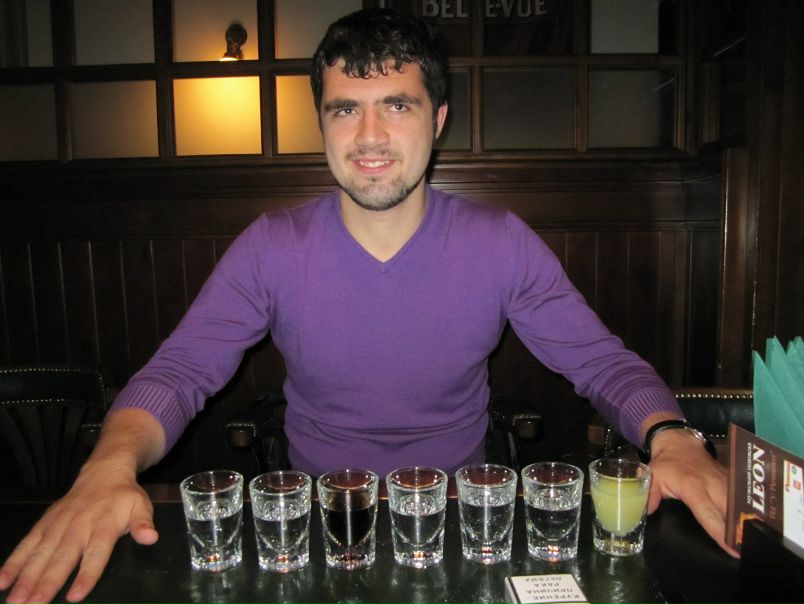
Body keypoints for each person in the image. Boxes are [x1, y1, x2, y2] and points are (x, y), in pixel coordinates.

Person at [0, 8, 736, 604]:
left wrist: (671, 435)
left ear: (437, 119)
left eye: (397, 105)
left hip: (462, 525)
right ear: (322, 123)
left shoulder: (500, 242)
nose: (371, 136)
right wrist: (106, 467)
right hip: (319, 530)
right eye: (345, 109)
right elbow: (182, 369)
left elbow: (599, 361)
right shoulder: (272, 246)